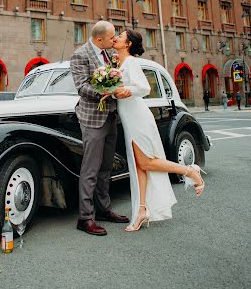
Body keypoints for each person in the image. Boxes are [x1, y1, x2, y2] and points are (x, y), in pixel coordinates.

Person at [111, 29, 205, 232]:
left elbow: (144, 88)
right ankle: (142, 210)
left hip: (138, 117)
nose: (116, 37)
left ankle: (191, 171)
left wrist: (128, 91)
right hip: (129, 118)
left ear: (127, 44)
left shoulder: (131, 63)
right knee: (139, 167)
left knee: (145, 162)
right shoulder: (118, 63)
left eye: (120, 35)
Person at [70, 21, 132, 236]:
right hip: (92, 119)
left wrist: (115, 88)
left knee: (106, 167)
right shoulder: (80, 54)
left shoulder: (108, 54)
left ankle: (104, 209)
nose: (114, 40)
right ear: (99, 39)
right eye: (111, 37)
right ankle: (85, 218)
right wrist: (105, 92)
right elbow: (81, 86)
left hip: (110, 117)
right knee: (90, 170)